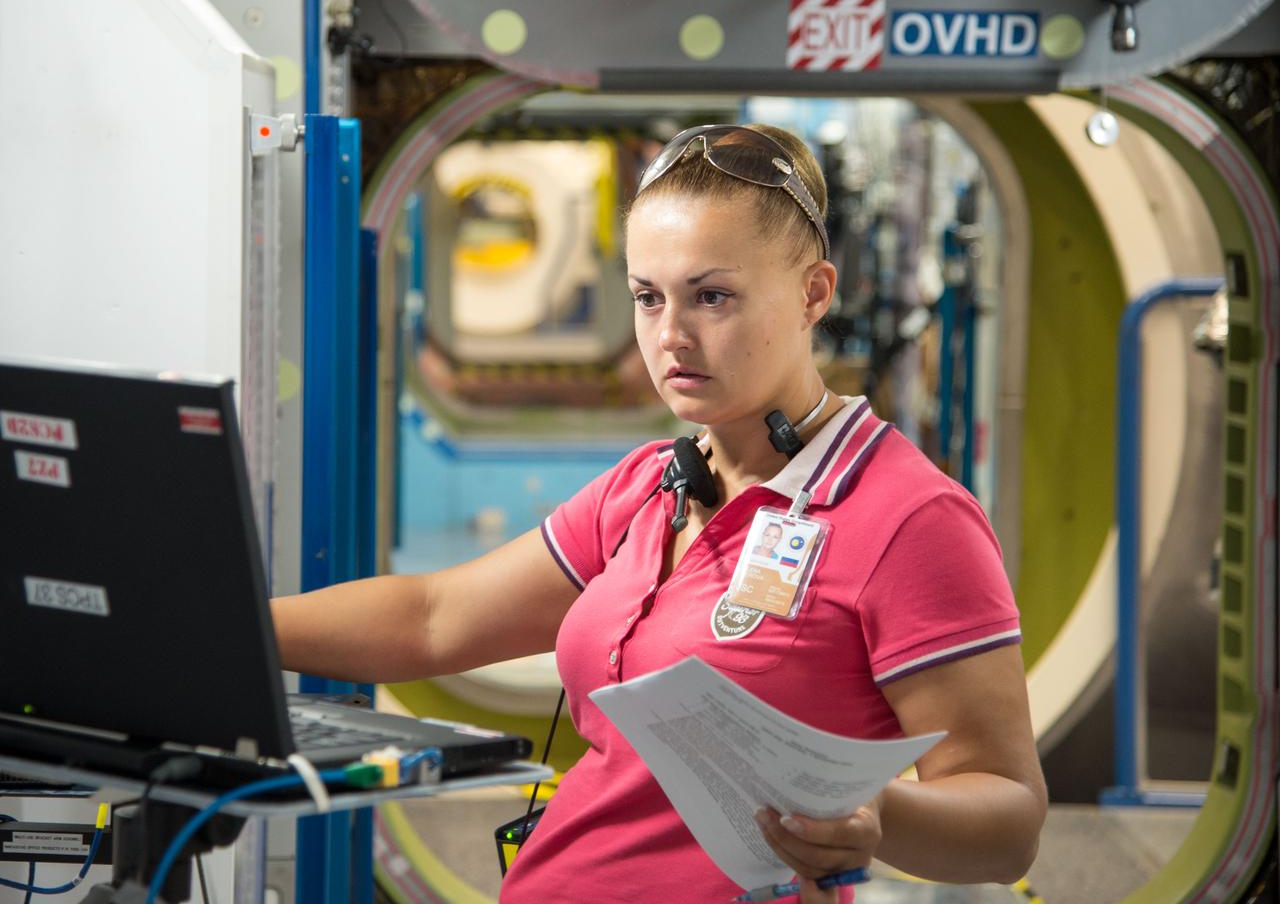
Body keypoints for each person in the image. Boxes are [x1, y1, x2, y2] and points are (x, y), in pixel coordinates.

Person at [270, 122, 1047, 903]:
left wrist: (878, 815)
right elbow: (434, 618)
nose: (671, 335)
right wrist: (230, 631)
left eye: (713, 297)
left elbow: (1009, 818)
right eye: (648, 298)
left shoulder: (911, 519)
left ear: (814, 292)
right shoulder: (652, 486)